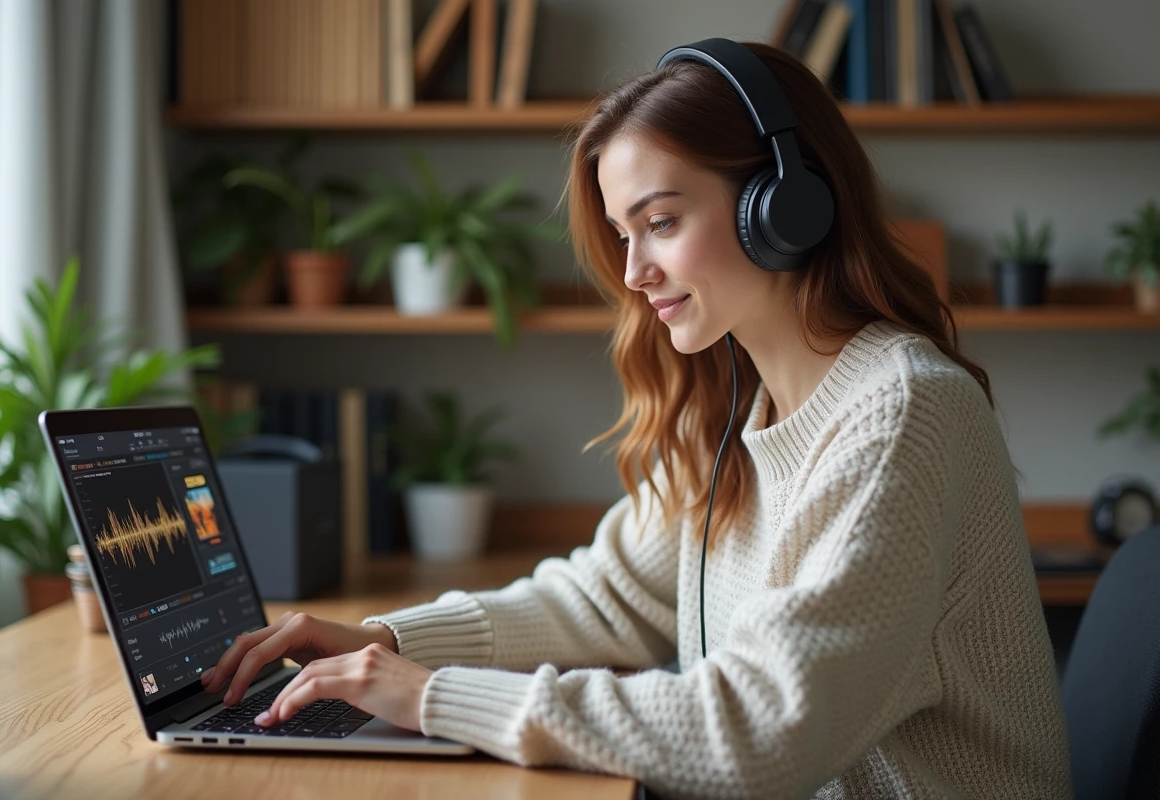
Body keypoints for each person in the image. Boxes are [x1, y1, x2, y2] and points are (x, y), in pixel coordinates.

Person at [200, 39, 1073, 799]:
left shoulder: (902, 414)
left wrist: (427, 695)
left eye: (659, 222)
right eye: (623, 234)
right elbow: (607, 595)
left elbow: (761, 732)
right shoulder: (734, 405)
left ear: (783, 204)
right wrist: (387, 639)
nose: (633, 272)